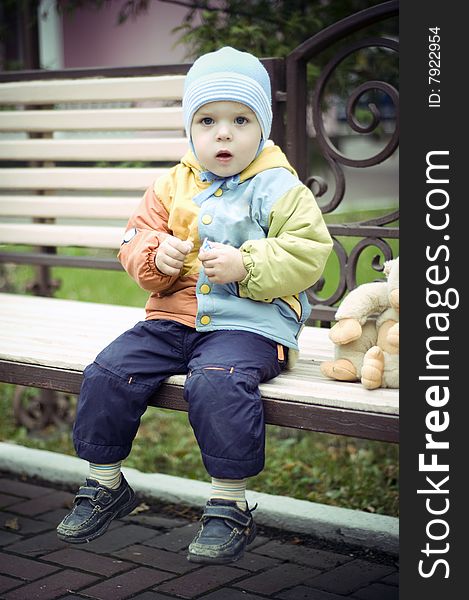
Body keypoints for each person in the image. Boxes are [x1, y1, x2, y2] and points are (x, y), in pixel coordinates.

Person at [56, 46, 333, 564]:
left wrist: (247, 267)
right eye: (207, 120)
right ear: (190, 129)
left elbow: (308, 253)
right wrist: (156, 256)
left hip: (250, 325)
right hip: (171, 318)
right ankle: (104, 484)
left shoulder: (279, 186)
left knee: (218, 379)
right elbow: (133, 239)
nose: (223, 133)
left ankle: (229, 503)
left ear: (263, 126)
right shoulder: (170, 184)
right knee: (109, 371)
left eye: (239, 119)